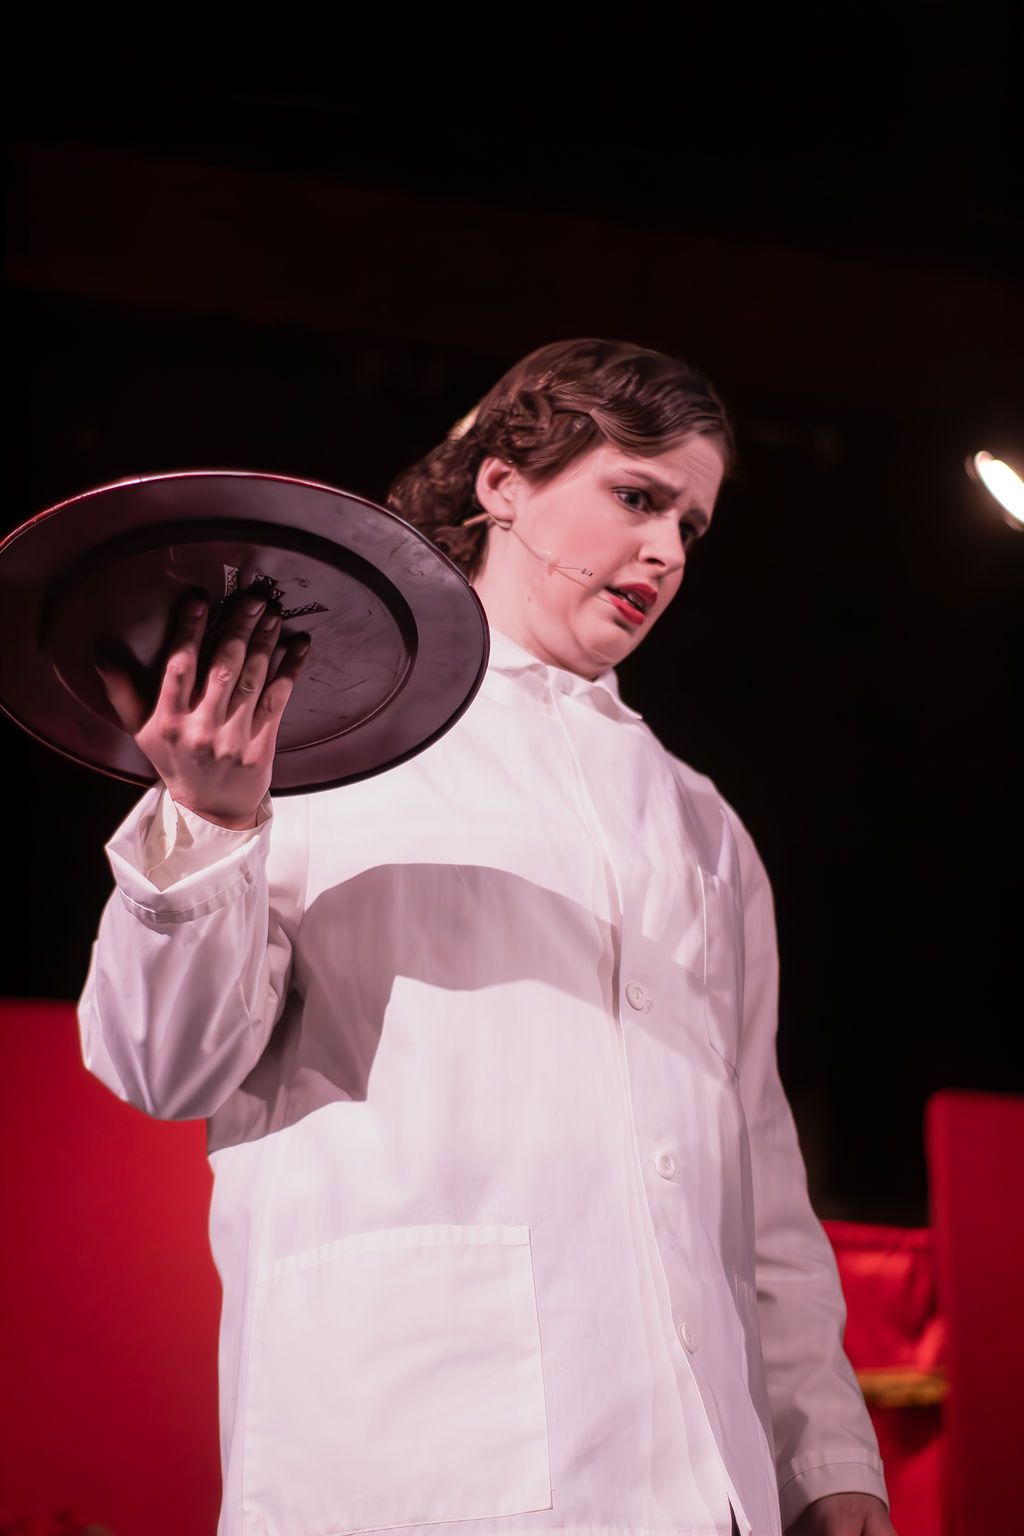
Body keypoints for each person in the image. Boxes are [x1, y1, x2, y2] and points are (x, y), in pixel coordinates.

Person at [80, 339, 895, 1536]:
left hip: (698, 1480)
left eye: (691, 525)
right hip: (409, 1455)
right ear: (503, 483)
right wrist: (207, 820)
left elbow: (759, 1181)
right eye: (636, 497)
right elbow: (160, 1065)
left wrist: (826, 1458)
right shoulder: (318, 743)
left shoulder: (701, 825)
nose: (667, 553)